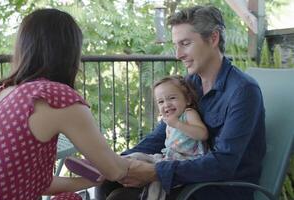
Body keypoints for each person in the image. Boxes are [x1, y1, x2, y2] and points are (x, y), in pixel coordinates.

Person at [0, 8, 130, 200]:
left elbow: (33, 183)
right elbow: (115, 170)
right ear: (69, 54)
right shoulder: (55, 96)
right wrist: (145, 165)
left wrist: (92, 180)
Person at [96, 5, 266, 200]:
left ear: (213, 38)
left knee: (120, 198)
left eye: (185, 43)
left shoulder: (243, 91)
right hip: (190, 175)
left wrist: (156, 172)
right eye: (176, 45)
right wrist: (119, 161)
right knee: (108, 182)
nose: (178, 54)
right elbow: (161, 134)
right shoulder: (190, 84)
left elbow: (223, 163)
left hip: (222, 187)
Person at [123, 75, 208, 200]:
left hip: (186, 161)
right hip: (169, 157)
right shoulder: (168, 119)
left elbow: (202, 134)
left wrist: (178, 124)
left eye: (172, 98)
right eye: (161, 102)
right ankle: (117, 163)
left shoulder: (188, 113)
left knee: (157, 180)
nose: (166, 104)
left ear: (188, 99)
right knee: (138, 157)